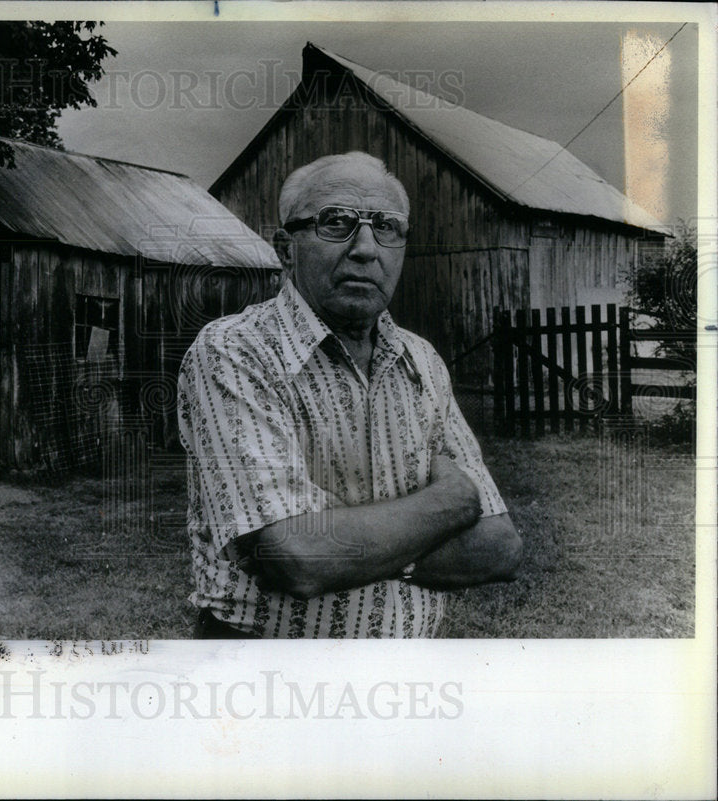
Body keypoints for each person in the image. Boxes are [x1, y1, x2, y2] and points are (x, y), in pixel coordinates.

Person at [177, 151, 521, 638]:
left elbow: (500, 546)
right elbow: (293, 558)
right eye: (335, 223)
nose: (365, 248)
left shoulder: (422, 362)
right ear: (285, 248)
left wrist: (351, 543)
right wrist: (451, 502)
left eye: (387, 227)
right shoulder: (236, 351)